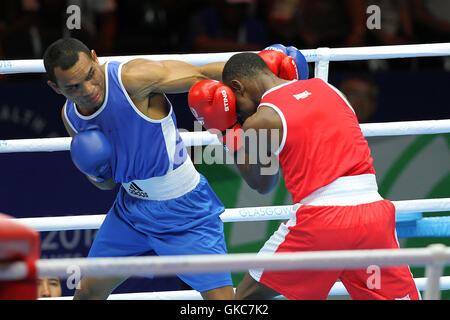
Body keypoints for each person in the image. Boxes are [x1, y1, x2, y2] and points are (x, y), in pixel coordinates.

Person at [188, 52, 421, 300]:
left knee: (243, 299)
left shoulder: (261, 120)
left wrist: (227, 131)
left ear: (238, 87)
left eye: (236, 103)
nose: (238, 111)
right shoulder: (330, 90)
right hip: (375, 214)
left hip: (323, 222)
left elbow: (263, 182)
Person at [42, 37, 235, 300]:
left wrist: (265, 75)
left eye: (90, 75)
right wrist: (97, 171)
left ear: (96, 58)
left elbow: (201, 73)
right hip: (130, 210)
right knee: (87, 292)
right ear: (55, 87)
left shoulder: (132, 79)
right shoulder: (71, 116)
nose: (88, 89)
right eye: (73, 87)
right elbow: (106, 183)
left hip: (186, 210)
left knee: (221, 300)